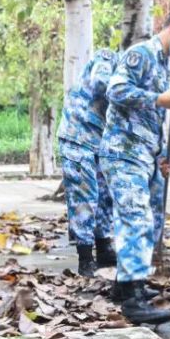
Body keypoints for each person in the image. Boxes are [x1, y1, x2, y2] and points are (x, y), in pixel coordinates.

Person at [100, 7, 170, 324]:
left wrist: (163, 153)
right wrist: (158, 99)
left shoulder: (166, 63)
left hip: (146, 153)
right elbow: (115, 90)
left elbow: (154, 119)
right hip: (124, 150)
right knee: (136, 218)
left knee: (155, 216)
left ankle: (125, 283)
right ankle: (132, 301)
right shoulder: (141, 54)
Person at [57, 48, 119, 277]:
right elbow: (101, 83)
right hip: (77, 136)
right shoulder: (108, 57)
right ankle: (85, 259)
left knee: (106, 195)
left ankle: (104, 248)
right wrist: (129, 91)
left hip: (101, 140)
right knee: (84, 196)